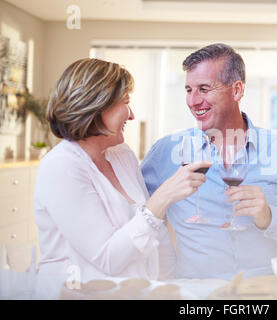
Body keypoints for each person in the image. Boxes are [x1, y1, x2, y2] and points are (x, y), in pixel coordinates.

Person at [140, 43, 277, 280]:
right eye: (189, 90)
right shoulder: (166, 151)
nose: (193, 101)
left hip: (264, 290)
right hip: (194, 292)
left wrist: (270, 218)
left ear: (237, 90)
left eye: (204, 88)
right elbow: (136, 218)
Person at [34, 58, 210, 282]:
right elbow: (109, 259)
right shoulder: (61, 167)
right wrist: (162, 197)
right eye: (125, 102)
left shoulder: (122, 155)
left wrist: (169, 287)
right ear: (96, 106)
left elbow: (157, 238)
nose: (131, 114)